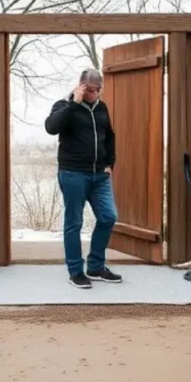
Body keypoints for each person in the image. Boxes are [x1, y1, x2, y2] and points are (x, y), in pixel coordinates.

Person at [44, 68, 122, 288]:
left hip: (100, 175)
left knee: (108, 217)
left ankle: (96, 267)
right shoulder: (64, 105)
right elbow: (51, 127)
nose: (95, 94)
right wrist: (73, 104)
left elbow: (109, 138)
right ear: (81, 86)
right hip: (73, 174)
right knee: (74, 223)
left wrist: (110, 164)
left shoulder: (102, 108)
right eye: (90, 89)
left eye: (98, 89)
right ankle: (76, 271)